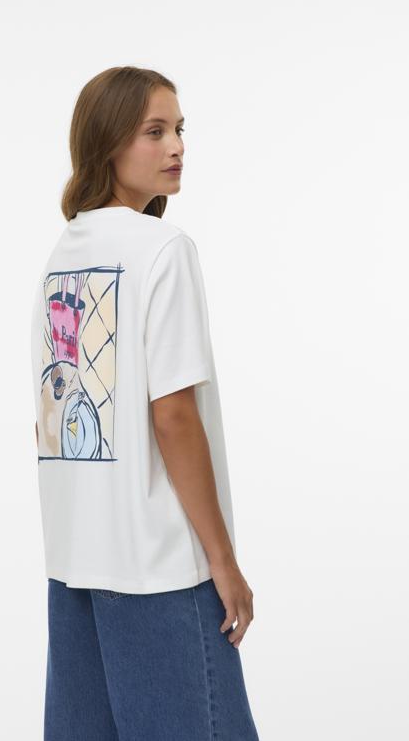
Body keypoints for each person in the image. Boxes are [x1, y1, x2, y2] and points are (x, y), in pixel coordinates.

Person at [30, 65, 260, 740]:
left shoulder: (61, 256)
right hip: (158, 569)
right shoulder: (163, 250)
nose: (176, 147)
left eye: (179, 129)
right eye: (154, 132)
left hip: (75, 565)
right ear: (108, 143)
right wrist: (222, 562)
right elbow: (173, 414)